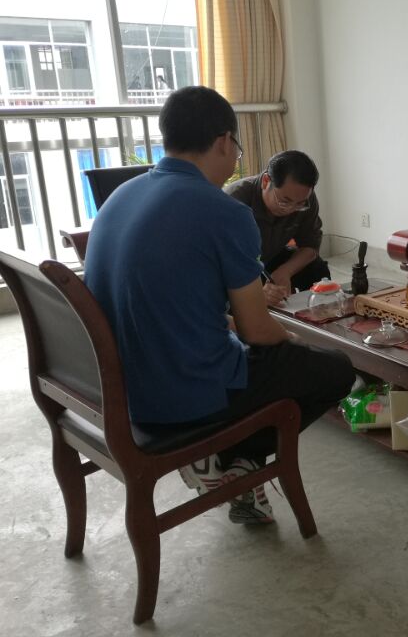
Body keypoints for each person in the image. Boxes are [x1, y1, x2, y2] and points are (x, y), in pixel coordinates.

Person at [84, 86, 355, 525]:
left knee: (277, 353)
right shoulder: (224, 210)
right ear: (225, 142)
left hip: (120, 385)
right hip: (180, 394)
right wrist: (290, 338)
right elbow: (256, 331)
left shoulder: (121, 195)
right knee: (335, 368)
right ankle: (233, 458)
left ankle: (232, 465)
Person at [224, 150, 330, 306]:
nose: (291, 209)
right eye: (284, 201)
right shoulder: (235, 200)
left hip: (272, 258)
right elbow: (226, 262)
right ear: (266, 181)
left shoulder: (305, 199)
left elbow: (310, 246)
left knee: (317, 268)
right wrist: (255, 293)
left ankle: (314, 312)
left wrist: (285, 271)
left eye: (299, 204)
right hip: (238, 266)